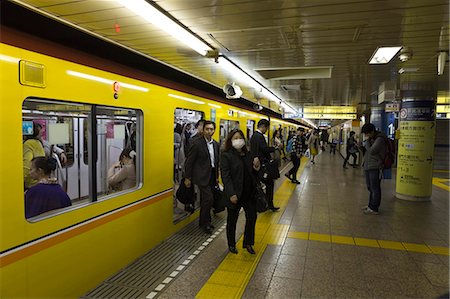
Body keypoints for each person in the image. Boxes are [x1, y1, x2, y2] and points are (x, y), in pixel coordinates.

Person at [221, 129, 260, 254]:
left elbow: (253, 173)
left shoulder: (248, 154)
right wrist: (231, 193)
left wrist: (256, 167)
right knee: (232, 220)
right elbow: (225, 176)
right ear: (230, 140)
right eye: (235, 138)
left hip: (249, 193)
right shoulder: (226, 155)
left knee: (252, 217)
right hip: (235, 194)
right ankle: (231, 244)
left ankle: (248, 243)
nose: (238, 141)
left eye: (240, 138)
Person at [184, 120, 220, 234]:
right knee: (208, 199)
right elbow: (189, 161)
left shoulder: (216, 144)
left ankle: (204, 221)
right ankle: (205, 223)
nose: (209, 131)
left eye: (211, 129)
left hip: (212, 175)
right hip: (201, 176)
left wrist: (217, 176)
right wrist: (187, 177)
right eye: (207, 129)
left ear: (214, 130)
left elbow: (216, 161)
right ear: (203, 130)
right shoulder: (197, 143)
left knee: (207, 200)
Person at [250, 119, 279, 211]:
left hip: (257, 165)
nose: (266, 130)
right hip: (262, 165)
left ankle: (262, 204)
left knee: (258, 184)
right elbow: (264, 149)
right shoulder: (259, 136)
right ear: (263, 127)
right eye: (266, 128)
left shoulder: (254, 135)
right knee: (269, 184)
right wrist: (274, 148)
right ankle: (268, 204)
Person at [361, 123, 386, 215]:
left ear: (372, 131)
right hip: (369, 166)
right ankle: (370, 205)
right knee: (370, 187)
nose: (366, 136)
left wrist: (366, 142)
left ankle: (374, 208)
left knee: (375, 188)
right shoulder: (372, 139)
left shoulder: (380, 139)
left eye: (367, 134)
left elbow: (372, 151)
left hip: (375, 166)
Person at [23, 122, 46, 189]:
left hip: (31, 181)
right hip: (40, 179)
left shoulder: (28, 144)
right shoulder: (38, 143)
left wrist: (21, 179)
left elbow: (27, 164)